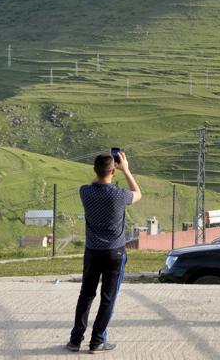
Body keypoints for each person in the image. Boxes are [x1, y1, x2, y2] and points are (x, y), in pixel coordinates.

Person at [67, 151, 141, 353]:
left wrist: (103, 169)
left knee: (86, 295)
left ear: (94, 170)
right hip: (114, 253)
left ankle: (75, 339)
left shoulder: (85, 192)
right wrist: (126, 170)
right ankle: (97, 341)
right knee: (108, 297)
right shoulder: (119, 195)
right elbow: (138, 193)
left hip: (92, 252)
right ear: (114, 171)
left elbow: (95, 181)